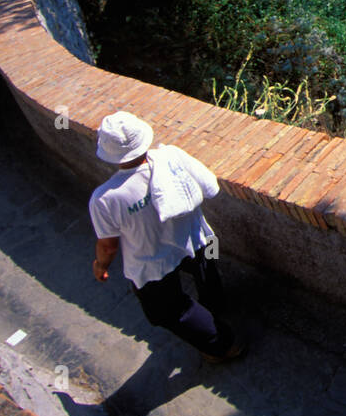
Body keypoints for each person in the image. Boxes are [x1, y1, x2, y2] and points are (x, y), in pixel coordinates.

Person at [89, 111, 246, 364]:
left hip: (152, 262)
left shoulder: (105, 198)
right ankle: (216, 309)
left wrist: (100, 266)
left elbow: (108, 247)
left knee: (168, 311)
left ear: (109, 153)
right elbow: (210, 186)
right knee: (207, 277)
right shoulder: (171, 156)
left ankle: (226, 344)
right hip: (197, 239)